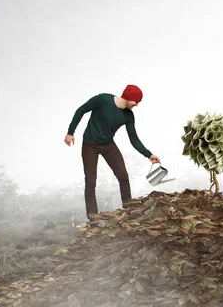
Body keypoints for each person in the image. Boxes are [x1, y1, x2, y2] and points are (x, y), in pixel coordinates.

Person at [64, 84, 160, 221]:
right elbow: (81, 110)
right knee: (90, 182)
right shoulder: (102, 100)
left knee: (123, 176)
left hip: (108, 145)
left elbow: (134, 139)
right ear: (128, 98)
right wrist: (70, 132)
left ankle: (129, 212)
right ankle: (93, 219)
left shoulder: (128, 116)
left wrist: (148, 154)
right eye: (136, 101)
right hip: (90, 146)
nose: (137, 105)